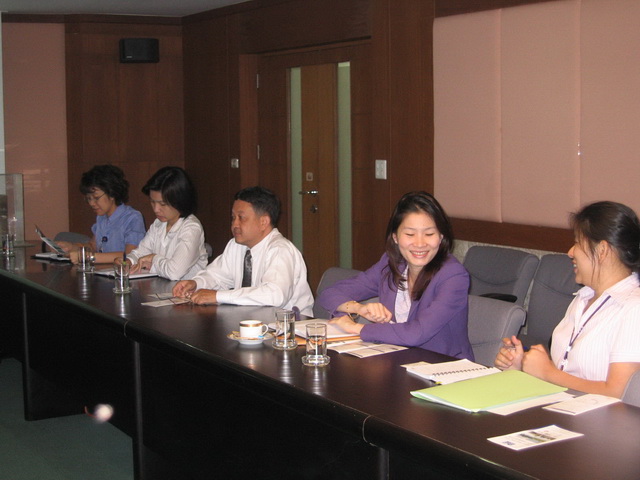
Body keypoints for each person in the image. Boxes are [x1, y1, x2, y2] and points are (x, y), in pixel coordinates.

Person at [495, 201, 640, 398]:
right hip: (559, 406)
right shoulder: (583, 297)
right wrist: (523, 366)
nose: (570, 252)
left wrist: (547, 372)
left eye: (578, 243)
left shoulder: (633, 307)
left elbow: (619, 393)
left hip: (598, 417)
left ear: (602, 250)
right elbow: (567, 372)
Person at [317, 191, 473, 359]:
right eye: (410, 234)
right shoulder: (391, 264)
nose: (420, 243)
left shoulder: (453, 276)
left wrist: (356, 328)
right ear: (395, 237)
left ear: (441, 237)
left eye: (429, 234)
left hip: (443, 366)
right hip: (396, 359)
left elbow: (416, 333)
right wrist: (359, 308)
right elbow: (329, 294)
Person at [172, 186, 314, 316]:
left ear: (263, 222)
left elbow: (275, 295)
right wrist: (196, 283)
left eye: (241, 218)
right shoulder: (236, 245)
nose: (235, 224)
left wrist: (217, 296)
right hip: (250, 321)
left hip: (288, 328)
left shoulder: (280, 250)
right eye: (233, 218)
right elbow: (216, 276)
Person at [127, 166, 208, 280]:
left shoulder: (191, 228)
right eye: (152, 202)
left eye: (163, 204)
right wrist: (129, 262)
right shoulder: (158, 224)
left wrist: (154, 259)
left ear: (179, 200)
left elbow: (174, 272)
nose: (156, 209)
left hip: (188, 290)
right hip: (161, 287)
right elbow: (141, 252)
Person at [58, 164, 146, 264]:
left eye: (96, 198)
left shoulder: (133, 218)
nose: (91, 203)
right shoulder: (102, 217)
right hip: (104, 270)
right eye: (89, 199)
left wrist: (89, 257)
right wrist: (72, 247)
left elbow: (130, 255)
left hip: (122, 272)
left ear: (112, 193)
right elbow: (93, 246)